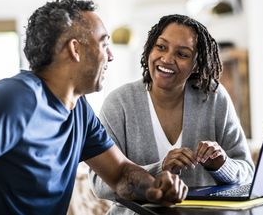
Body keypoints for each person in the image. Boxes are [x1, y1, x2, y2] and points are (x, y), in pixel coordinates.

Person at [0, 0, 188, 215]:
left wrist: (155, 188)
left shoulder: (78, 109)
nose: (111, 55)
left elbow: (121, 174)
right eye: (104, 43)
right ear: (75, 49)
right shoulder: (21, 96)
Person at [89, 14, 254, 214]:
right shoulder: (120, 103)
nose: (167, 59)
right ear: (150, 49)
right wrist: (160, 169)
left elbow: (247, 172)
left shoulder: (213, 97)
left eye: (182, 54)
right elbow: (99, 184)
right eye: (161, 47)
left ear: (196, 63)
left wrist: (221, 165)